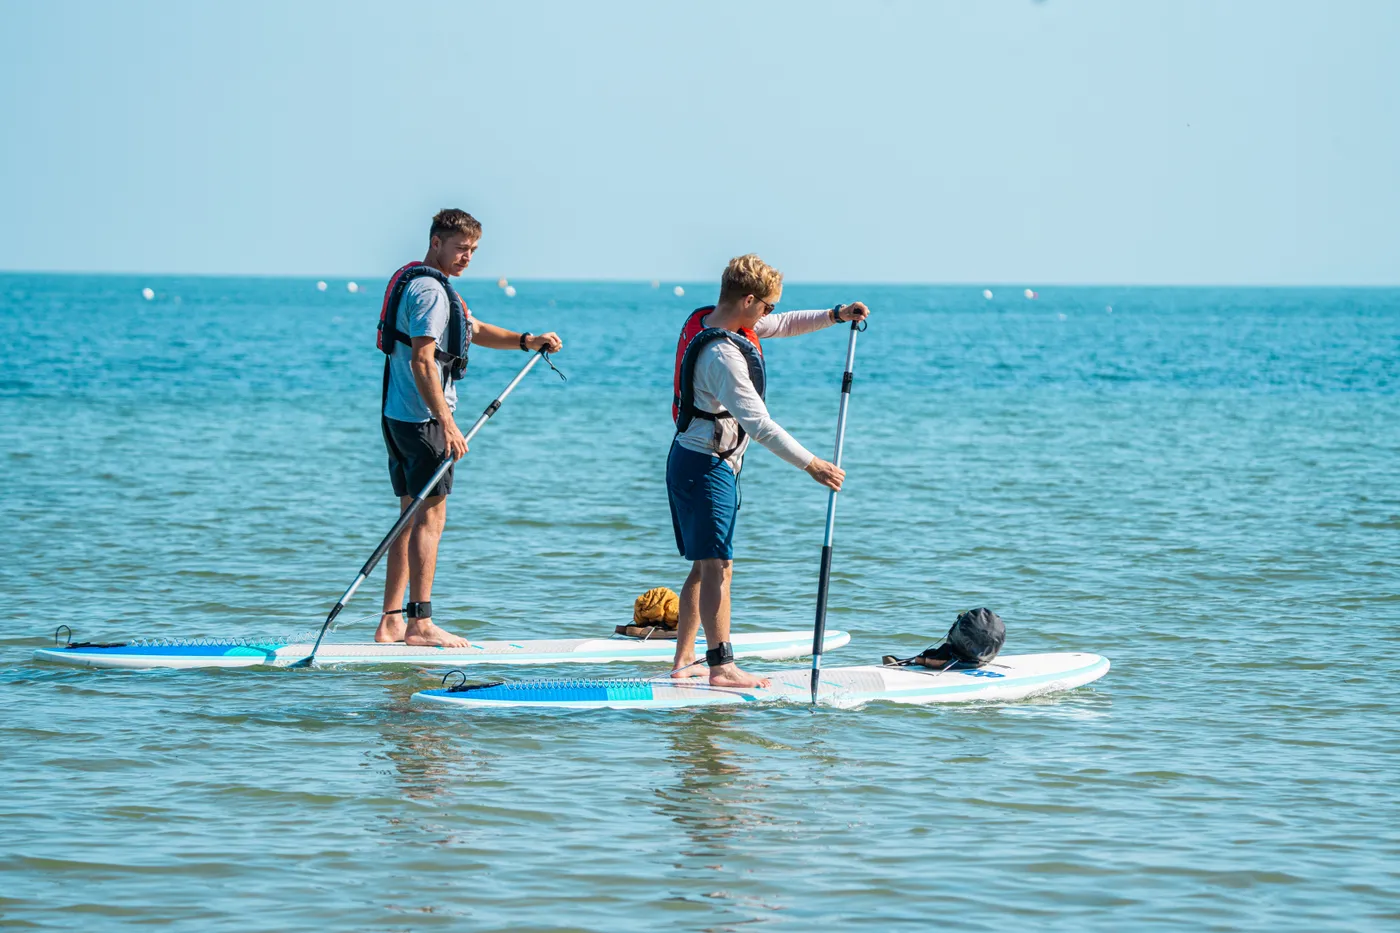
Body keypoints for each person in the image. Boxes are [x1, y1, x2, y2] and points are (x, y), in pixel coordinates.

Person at [667, 254, 870, 686]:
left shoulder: (709, 319)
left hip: (690, 459)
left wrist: (836, 315)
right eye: (767, 306)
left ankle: (685, 661)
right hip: (706, 467)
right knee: (718, 566)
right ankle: (722, 667)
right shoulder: (723, 356)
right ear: (748, 300)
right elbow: (759, 425)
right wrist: (813, 465)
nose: (769, 314)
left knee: (705, 565)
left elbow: (785, 324)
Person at [372, 209, 562, 647]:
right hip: (424, 422)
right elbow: (423, 361)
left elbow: (472, 328)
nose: (467, 257)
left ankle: (391, 622)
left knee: (408, 518)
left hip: (398, 417)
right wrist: (448, 423)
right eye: (460, 248)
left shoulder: (430, 286)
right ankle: (420, 623)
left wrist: (526, 341)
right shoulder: (430, 291)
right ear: (436, 242)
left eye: (473, 250)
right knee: (430, 520)